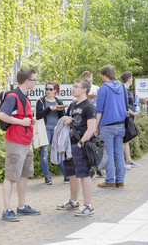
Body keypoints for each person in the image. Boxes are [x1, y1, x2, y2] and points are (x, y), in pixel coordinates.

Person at [0, 68, 40, 222]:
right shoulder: (13, 96)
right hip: (15, 142)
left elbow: (21, 116)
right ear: (27, 81)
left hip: (26, 141)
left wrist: (29, 121)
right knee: (10, 176)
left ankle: (21, 206)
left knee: (23, 175)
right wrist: (21, 122)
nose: (36, 82)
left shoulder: (24, 97)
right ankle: (6, 210)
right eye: (34, 80)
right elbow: (2, 115)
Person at [56, 78, 96, 216]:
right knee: (72, 174)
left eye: (76, 87)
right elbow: (67, 121)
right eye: (73, 86)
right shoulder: (72, 105)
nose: (73, 89)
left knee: (84, 175)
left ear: (84, 90)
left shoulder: (89, 106)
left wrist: (81, 143)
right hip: (69, 145)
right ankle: (73, 201)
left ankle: (88, 205)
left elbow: (91, 128)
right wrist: (66, 121)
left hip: (81, 145)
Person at [95, 65, 128, 188]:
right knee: (119, 153)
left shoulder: (103, 89)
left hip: (107, 125)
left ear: (104, 75)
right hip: (121, 124)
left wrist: (95, 126)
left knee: (108, 153)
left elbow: (99, 111)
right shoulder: (122, 87)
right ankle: (120, 180)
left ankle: (109, 180)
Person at [35, 81, 68, 185]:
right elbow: (38, 115)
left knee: (59, 152)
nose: (47, 91)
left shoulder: (59, 101)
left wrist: (59, 110)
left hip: (56, 131)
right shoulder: (41, 101)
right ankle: (47, 176)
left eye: (50, 89)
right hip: (44, 130)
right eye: (46, 89)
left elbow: (63, 117)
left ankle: (66, 176)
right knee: (44, 153)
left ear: (55, 91)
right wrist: (49, 108)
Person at [121, 71, 141, 170]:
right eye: (132, 78)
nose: (132, 80)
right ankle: (123, 162)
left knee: (127, 140)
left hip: (129, 118)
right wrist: (133, 113)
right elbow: (124, 106)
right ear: (129, 79)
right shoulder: (123, 90)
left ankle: (128, 160)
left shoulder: (127, 90)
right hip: (126, 118)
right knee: (124, 140)